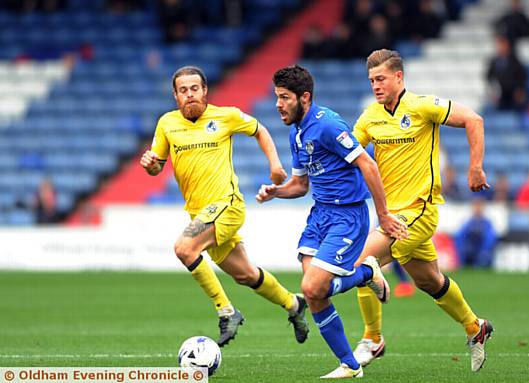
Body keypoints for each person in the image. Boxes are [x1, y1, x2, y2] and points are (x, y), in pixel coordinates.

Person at [139, 66, 309, 347]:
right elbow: (157, 166)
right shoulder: (166, 123)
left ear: (204, 91)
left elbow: (260, 130)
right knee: (246, 275)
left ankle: (226, 311)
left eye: (195, 89)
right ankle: (293, 304)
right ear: (175, 95)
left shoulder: (225, 116)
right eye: (183, 90)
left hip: (226, 205)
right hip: (201, 213)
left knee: (184, 248)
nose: (190, 95)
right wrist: (151, 166)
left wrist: (276, 166)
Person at [257, 65, 408, 378]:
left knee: (311, 286)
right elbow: (300, 185)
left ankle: (367, 271)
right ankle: (351, 366)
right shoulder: (296, 133)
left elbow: (368, 164)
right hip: (320, 214)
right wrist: (276, 192)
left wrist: (383, 215)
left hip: (347, 215)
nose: (278, 104)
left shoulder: (327, 125)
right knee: (315, 293)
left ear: (305, 97)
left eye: (284, 98)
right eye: (277, 97)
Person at [351, 49, 493, 372]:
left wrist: (475, 168)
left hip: (419, 211)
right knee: (430, 281)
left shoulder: (422, 106)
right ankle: (476, 327)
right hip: (391, 214)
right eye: (372, 80)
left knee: (360, 262)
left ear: (399, 77)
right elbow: (352, 154)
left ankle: (373, 339)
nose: (375, 85)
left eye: (381, 79)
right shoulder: (369, 117)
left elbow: (474, 119)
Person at [454, 197, 497, 268]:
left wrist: (485, 249)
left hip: (482, 250)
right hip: (470, 250)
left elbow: (490, 238)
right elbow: (460, 237)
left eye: (480, 206)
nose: (478, 209)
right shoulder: (468, 222)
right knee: (464, 251)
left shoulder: (487, 223)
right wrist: (460, 248)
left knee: (485, 255)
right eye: (476, 206)